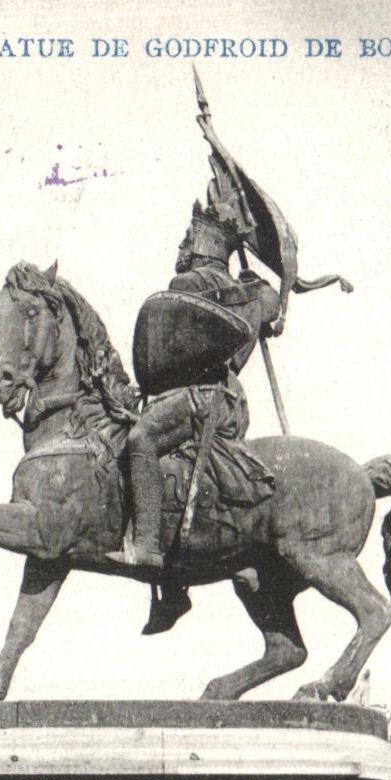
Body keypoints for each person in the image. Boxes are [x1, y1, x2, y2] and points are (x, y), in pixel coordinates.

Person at [106, 191, 280, 578]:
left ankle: (148, 547)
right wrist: (269, 296)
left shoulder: (189, 282)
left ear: (205, 244)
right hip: (228, 402)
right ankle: (173, 589)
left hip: (205, 399)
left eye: (188, 237)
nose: (182, 245)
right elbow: (271, 308)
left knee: (141, 440)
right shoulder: (253, 295)